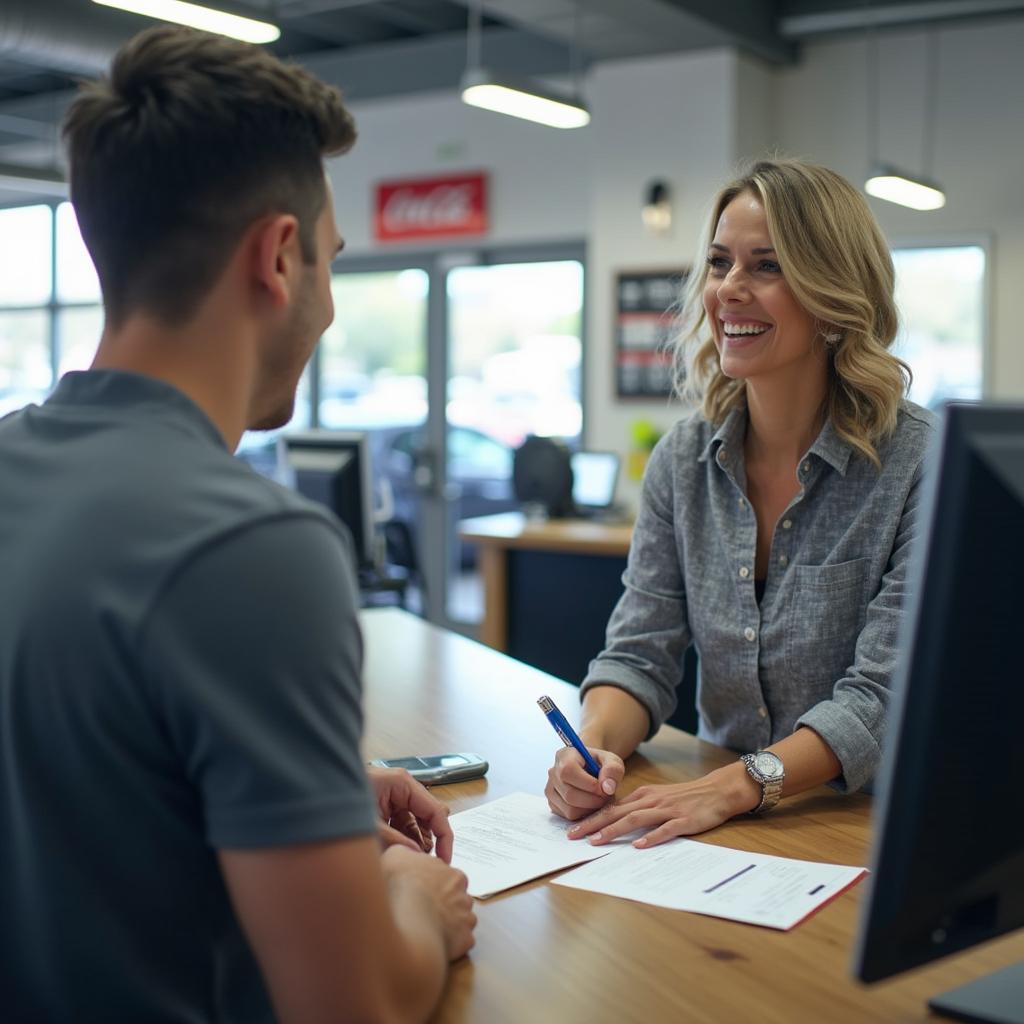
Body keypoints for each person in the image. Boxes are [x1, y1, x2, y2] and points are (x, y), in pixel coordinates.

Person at [0, 26, 475, 1024]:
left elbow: (70, 769)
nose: (332, 305)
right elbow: (356, 1009)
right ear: (280, 255)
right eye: (332, 263)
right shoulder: (250, 546)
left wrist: (308, 780)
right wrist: (416, 902)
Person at [545, 158, 937, 847]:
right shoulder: (681, 462)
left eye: (766, 266)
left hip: (863, 827)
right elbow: (638, 657)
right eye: (720, 262)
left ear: (832, 292)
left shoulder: (915, 464)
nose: (729, 288)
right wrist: (591, 748)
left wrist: (735, 787)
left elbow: (879, 699)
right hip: (722, 826)